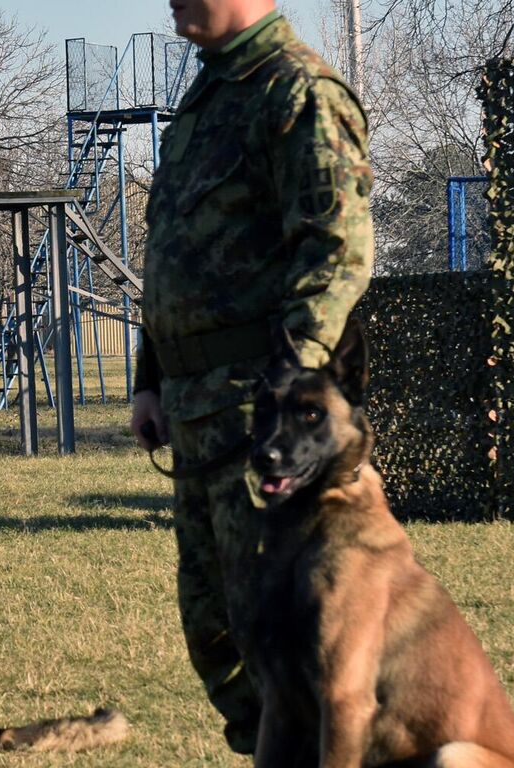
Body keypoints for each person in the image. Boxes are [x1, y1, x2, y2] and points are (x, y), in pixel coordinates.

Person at [128, 0, 375, 755]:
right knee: (216, 628)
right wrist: (151, 375)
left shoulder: (298, 92)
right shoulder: (207, 98)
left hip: (262, 425)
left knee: (281, 634)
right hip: (199, 411)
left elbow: (336, 253)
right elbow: (173, 252)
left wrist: (286, 399)